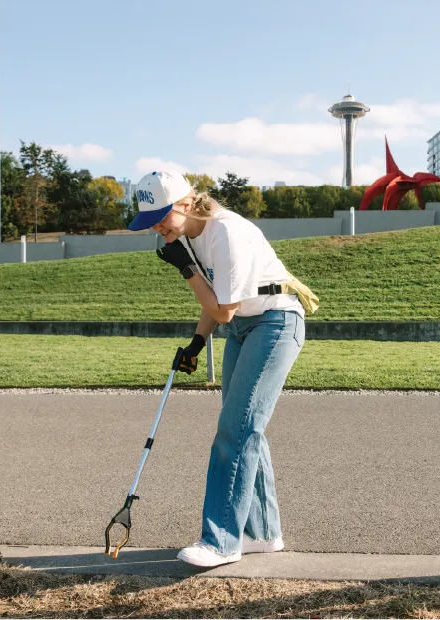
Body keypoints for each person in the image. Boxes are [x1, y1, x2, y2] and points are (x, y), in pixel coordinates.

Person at [128, 170, 305, 568]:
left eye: (161, 217)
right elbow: (217, 305)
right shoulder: (187, 235)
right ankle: (262, 534)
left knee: (236, 431)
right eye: (149, 221)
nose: (157, 227)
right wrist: (195, 343)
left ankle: (221, 541)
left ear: (186, 204)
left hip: (275, 323)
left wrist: (186, 271)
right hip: (244, 326)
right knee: (246, 430)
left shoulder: (225, 232)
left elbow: (222, 309)